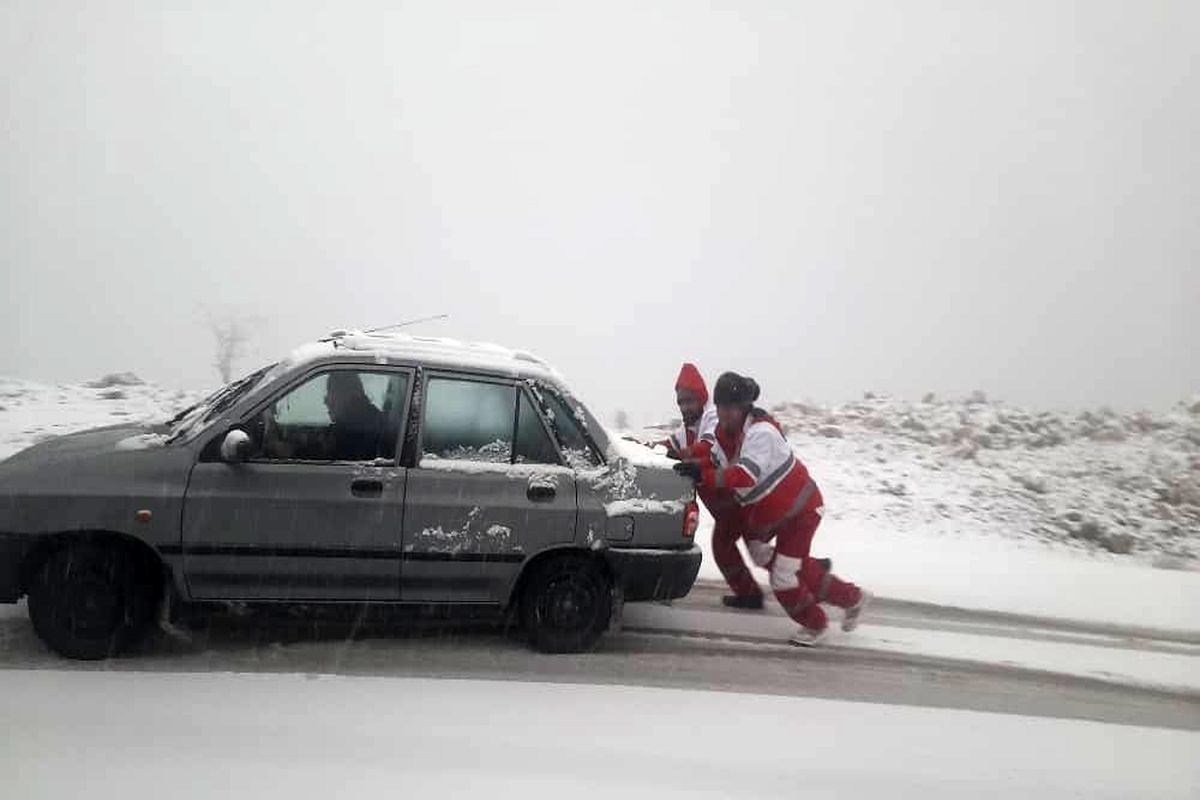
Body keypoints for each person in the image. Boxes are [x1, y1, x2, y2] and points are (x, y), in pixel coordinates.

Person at [675, 372, 872, 646]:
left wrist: (702, 475)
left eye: (733, 409)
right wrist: (686, 460)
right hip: (771, 515)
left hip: (800, 512)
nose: (727, 414)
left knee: (783, 576)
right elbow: (713, 457)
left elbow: (745, 475)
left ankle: (816, 624)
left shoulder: (761, 433)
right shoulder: (724, 433)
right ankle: (852, 597)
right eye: (722, 408)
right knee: (762, 554)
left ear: (744, 408)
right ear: (716, 407)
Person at [663, 364, 766, 608]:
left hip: (737, 498)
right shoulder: (684, 430)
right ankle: (751, 593)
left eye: (689, 400)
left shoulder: (712, 417)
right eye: (681, 402)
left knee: (762, 554)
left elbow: (708, 448)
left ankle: (810, 571)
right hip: (724, 506)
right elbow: (668, 445)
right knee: (731, 548)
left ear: (702, 398)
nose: (685, 407)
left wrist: (682, 456)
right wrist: (641, 447)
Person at [323, 371, 386, 460]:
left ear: (347, 395)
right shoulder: (374, 417)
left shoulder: (348, 431)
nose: (325, 401)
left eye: (331, 392)